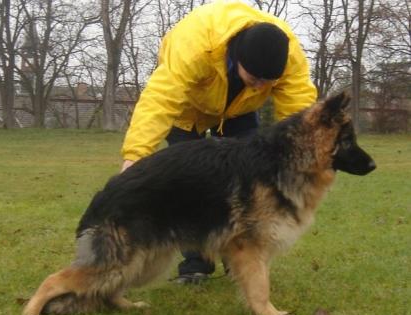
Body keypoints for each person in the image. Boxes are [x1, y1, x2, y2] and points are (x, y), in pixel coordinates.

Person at [120, 1, 317, 284]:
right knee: (190, 184)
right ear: (237, 58)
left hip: (240, 110)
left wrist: (302, 164)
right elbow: (159, 101)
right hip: (188, 111)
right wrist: (135, 157)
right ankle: (195, 266)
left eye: (268, 82)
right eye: (255, 78)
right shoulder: (195, 45)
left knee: (249, 183)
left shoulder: (290, 57)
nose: (261, 86)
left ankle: (238, 256)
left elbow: (299, 113)